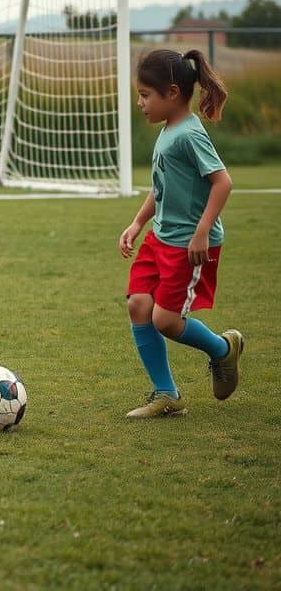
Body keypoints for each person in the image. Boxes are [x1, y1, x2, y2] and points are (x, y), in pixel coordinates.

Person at [119, 49, 244, 418]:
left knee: (165, 320)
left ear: (172, 92)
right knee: (138, 305)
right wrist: (138, 224)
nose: (140, 102)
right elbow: (161, 189)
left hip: (188, 245)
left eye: (145, 95)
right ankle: (166, 394)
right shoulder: (167, 132)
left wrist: (202, 231)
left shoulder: (189, 135)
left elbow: (223, 182)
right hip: (160, 238)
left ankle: (223, 350)